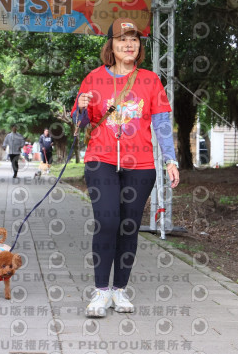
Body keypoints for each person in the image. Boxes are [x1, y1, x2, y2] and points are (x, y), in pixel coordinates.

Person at [72, 17, 179, 318]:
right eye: (122, 39)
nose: (129, 44)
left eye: (134, 39)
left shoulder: (150, 80)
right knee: (107, 222)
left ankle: (119, 289)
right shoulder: (94, 78)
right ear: (111, 45)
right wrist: (81, 107)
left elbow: (161, 123)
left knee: (128, 226)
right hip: (101, 161)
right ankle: (100, 292)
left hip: (140, 165)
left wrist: (170, 160)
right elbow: (79, 123)